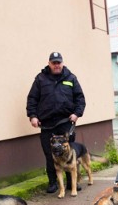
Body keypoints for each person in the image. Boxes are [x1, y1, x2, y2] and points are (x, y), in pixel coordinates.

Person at [26, 52, 86, 193]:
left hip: (66, 122)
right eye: (54, 63)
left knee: (69, 153)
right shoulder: (40, 79)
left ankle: (72, 184)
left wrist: (77, 114)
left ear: (62, 63)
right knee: (50, 154)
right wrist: (33, 116)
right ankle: (53, 183)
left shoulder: (71, 78)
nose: (56, 65)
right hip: (47, 124)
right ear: (49, 63)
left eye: (58, 62)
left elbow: (80, 99)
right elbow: (32, 99)